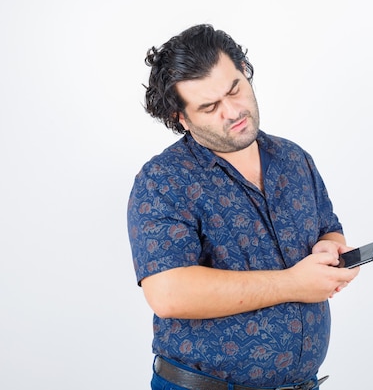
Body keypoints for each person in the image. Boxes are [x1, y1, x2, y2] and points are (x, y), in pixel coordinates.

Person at [127, 24, 360, 390]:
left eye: (235, 89)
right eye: (210, 106)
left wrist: (329, 247)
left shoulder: (293, 159)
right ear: (181, 118)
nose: (233, 111)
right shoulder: (163, 180)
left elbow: (327, 228)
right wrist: (293, 284)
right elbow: (169, 294)